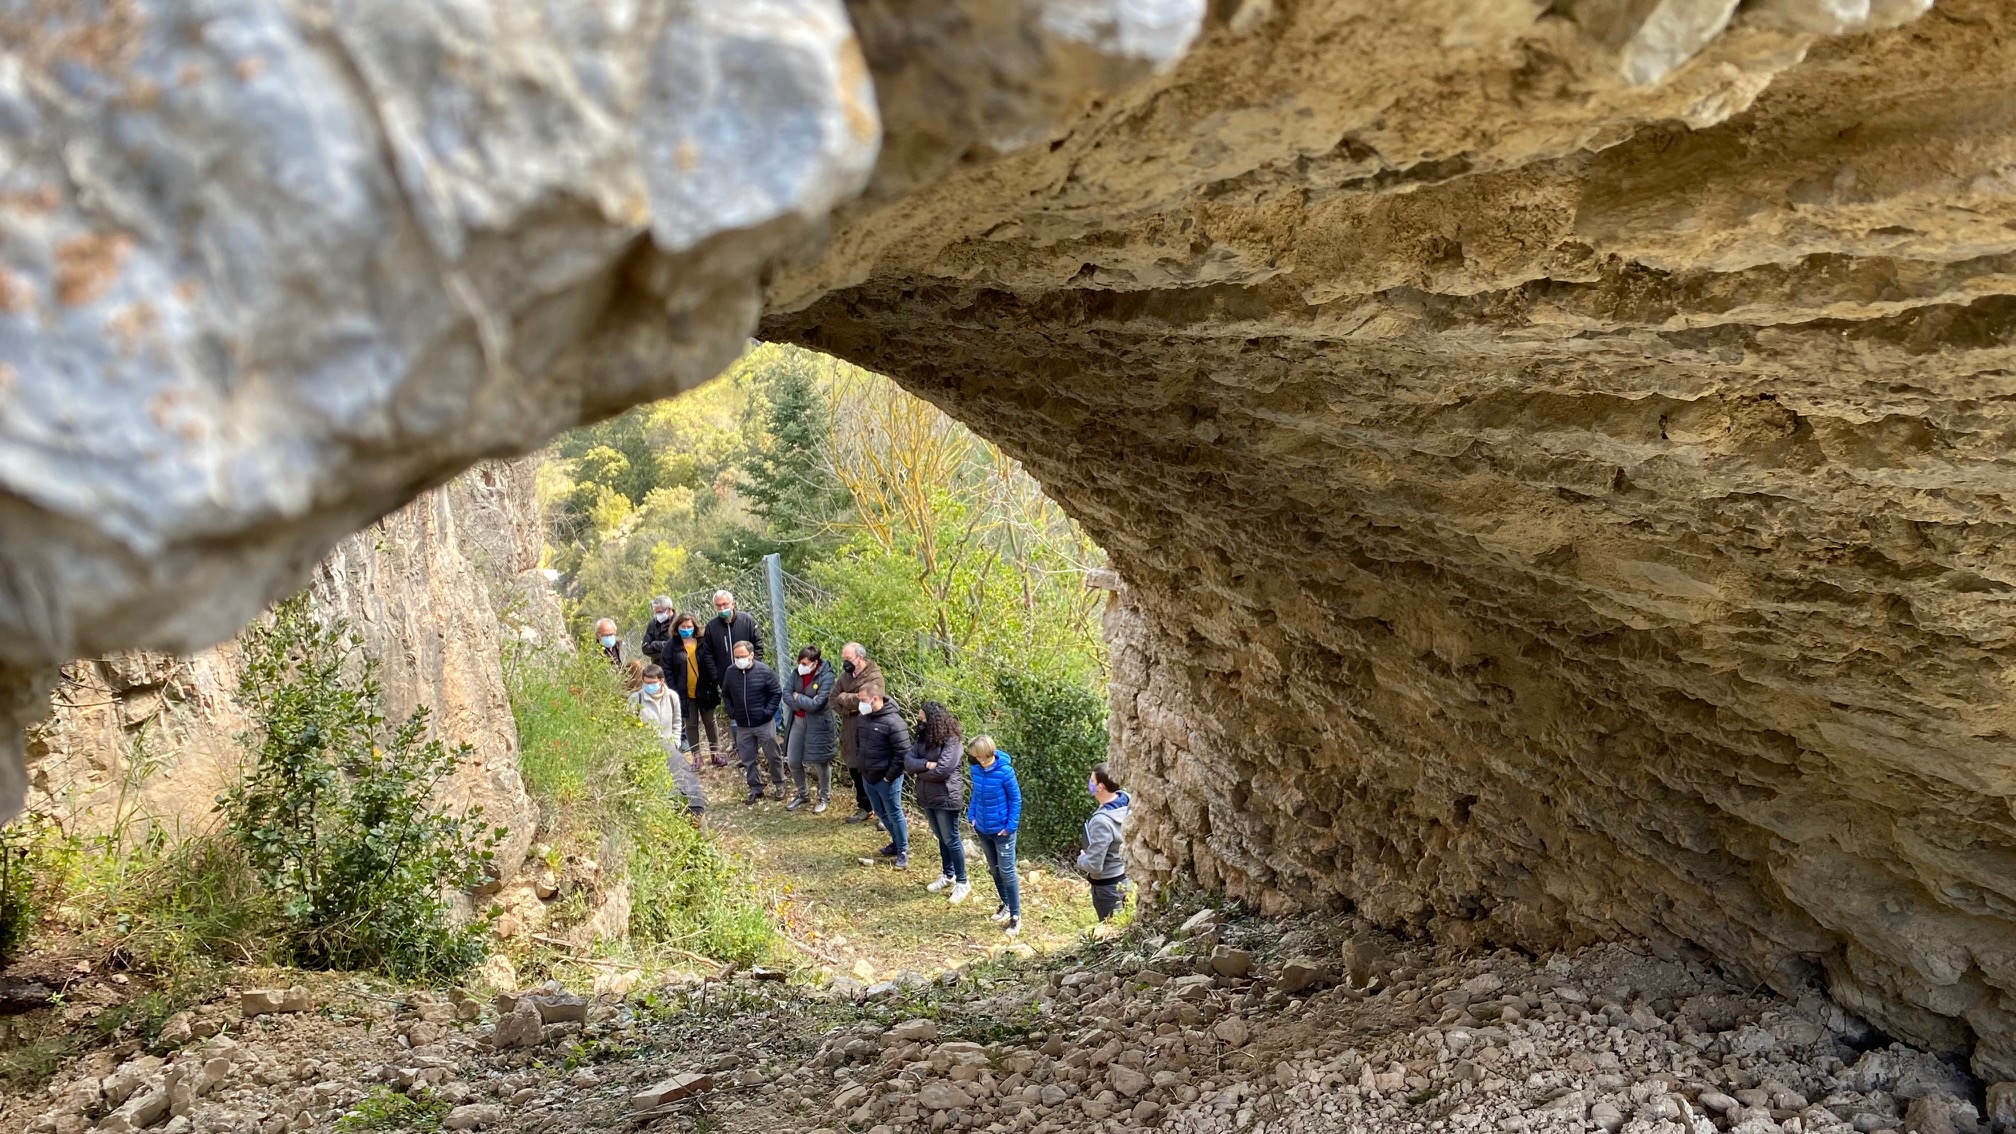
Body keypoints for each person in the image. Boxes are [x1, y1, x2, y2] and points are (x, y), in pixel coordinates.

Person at [905, 701, 968, 904]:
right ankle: (948, 875)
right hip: (927, 797)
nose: (919, 720)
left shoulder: (953, 740)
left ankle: (963, 881)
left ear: (933, 719)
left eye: (922, 717)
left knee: (951, 839)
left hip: (946, 797)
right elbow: (908, 762)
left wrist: (921, 771)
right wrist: (926, 764)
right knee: (941, 838)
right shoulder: (923, 739)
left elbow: (943, 770)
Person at [628, 665, 706, 819]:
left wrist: (676, 741)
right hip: (647, 749)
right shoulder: (636, 699)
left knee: (678, 780)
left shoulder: (671, 697)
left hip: (670, 748)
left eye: (652, 682)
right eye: (646, 683)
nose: (649, 686)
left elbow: (677, 721)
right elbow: (628, 725)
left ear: (661, 681)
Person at [966, 736, 1023, 936]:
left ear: (982, 755)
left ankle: (1016, 916)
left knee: (1007, 872)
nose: (971, 758)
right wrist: (972, 815)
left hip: (1002, 831)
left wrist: (1010, 826)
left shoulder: (1005, 772)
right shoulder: (976, 769)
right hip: (983, 827)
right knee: (994, 869)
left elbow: (1016, 799)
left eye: (974, 755)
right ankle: (1005, 904)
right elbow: (976, 794)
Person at [720, 640, 785, 805]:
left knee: (773, 755)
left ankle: (780, 784)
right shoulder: (730, 672)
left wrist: (768, 712)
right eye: (736, 657)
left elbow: (776, 692)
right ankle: (756, 788)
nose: (739, 659)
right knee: (748, 759)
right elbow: (726, 694)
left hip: (763, 723)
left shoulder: (764, 671)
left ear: (751, 655)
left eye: (742, 656)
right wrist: (732, 712)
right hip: (742, 725)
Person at [854, 688, 912, 869]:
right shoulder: (863, 718)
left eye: (863, 700)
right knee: (880, 811)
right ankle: (895, 842)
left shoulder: (894, 722)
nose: (860, 705)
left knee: (894, 813)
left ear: (875, 699)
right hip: (868, 776)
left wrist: (888, 777)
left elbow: (902, 753)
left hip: (887, 779)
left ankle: (903, 850)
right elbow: (858, 743)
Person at [832, 642, 884, 827]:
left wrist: (845, 698)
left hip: (870, 731)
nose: (845, 663)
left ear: (860, 658)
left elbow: (872, 699)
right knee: (855, 771)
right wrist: (852, 706)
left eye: (848, 659)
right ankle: (865, 807)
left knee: (874, 772)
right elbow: (833, 699)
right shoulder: (845, 676)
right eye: (844, 659)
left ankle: (883, 813)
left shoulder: (874, 676)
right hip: (849, 731)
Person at [783, 645, 838, 813]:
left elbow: (818, 704)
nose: (801, 666)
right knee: (793, 760)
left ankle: (824, 797)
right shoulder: (796, 673)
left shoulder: (827, 677)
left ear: (814, 663)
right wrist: (803, 704)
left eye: (805, 663)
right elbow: (786, 693)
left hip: (819, 725)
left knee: (821, 762)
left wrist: (798, 696)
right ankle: (803, 794)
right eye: (800, 662)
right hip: (798, 723)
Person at [665, 612, 723, 766]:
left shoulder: (703, 641)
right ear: (677, 627)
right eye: (683, 626)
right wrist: (674, 688)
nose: (686, 629)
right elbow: (667, 669)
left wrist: (714, 679)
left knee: (710, 721)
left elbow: (712, 660)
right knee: (691, 724)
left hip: (706, 689)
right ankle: (696, 756)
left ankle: (715, 753)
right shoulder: (671, 646)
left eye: (689, 626)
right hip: (684, 692)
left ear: (695, 626)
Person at [1077, 763, 1132, 922]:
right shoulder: (1128, 800)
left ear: (1100, 787)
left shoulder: (1101, 821)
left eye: (1092, 780)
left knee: (1111, 929)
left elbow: (1095, 865)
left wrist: (1082, 858)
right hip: (1125, 879)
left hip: (1107, 888)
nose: (1089, 783)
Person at [700, 589, 762, 681]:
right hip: (726, 678)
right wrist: (716, 676)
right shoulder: (711, 627)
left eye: (725, 604)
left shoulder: (746, 620)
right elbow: (708, 654)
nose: (722, 609)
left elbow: (758, 644)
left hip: (749, 674)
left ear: (732, 604)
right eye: (718, 605)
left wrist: (753, 666)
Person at [641, 595, 677, 670]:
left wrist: (654, 644)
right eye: (656, 612)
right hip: (658, 668)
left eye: (660, 612)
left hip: (676, 666)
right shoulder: (653, 624)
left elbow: (677, 646)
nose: (658, 615)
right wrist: (665, 652)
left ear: (669, 609)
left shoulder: (679, 623)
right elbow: (645, 648)